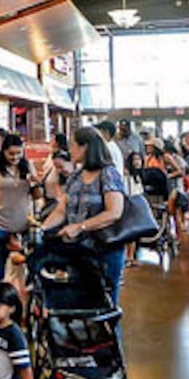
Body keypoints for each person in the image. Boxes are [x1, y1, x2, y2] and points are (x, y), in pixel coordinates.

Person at [40, 126, 127, 304]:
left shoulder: (108, 174)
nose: (69, 150)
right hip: (79, 251)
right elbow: (61, 209)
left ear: (85, 147)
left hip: (105, 251)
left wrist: (80, 226)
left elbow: (114, 212)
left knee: (105, 307)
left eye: (72, 145)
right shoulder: (75, 177)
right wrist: (42, 228)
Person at [0, 134, 35, 283]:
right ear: (3, 151)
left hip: (23, 224)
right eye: (11, 154)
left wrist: (35, 183)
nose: (15, 157)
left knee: (25, 270)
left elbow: (37, 195)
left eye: (18, 153)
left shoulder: (27, 165)